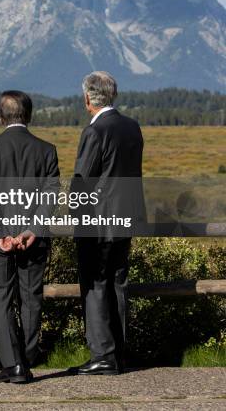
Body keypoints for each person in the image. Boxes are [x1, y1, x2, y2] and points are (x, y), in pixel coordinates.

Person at [0, 91, 59, 384]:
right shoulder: (47, 150)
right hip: (34, 239)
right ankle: (27, 359)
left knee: (1, 298)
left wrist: (1, 233)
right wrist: (32, 230)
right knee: (31, 297)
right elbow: (51, 195)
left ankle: (13, 364)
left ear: (1, 117)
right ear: (29, 115)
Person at [69, 71, 144, 376]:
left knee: (95, 283)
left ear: (88, 98)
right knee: (117, 283)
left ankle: (102, 354)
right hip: (126, 216)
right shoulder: (132, 127)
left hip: (98, 221)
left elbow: (82, 181)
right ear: (113, 94)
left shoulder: (94, 131)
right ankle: (118, 352)